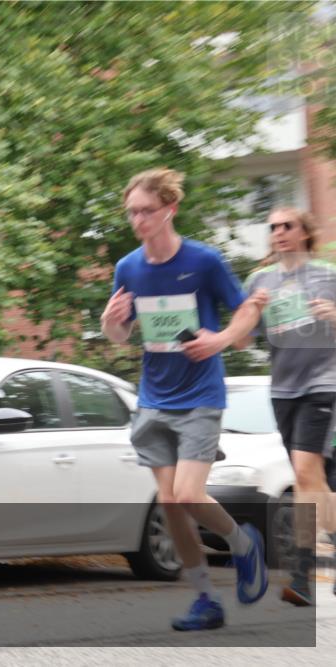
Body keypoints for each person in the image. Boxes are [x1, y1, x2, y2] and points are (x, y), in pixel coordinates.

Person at [101, 168, 269, 632]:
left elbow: (246, 320)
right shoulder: (128, 267)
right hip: (154, 397)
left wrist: (218, 340)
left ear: (169, 209)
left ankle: (242, 544)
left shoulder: (205, 261)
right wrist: (109, 320)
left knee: (189, 494)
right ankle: (205, 600)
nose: (138, 220)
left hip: (200, 395)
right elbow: (119, 336)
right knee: (170, 502)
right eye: (132, 212)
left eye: (147, 211)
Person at [235, 207, 336, 605]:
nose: (279, 232)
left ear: (305, 234)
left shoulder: (328, 275)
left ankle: (303, 575)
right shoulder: (259, 280)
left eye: (287, 226)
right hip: (283, 390)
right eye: (273, 227)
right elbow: (242, 342)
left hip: (323, 382)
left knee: (304, 471)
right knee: (314, 481)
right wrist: (252, 311)